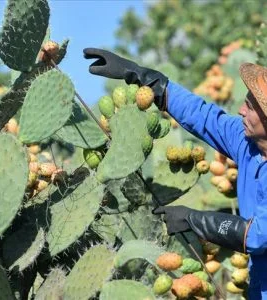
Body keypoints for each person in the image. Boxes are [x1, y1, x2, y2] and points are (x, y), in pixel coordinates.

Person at [84, 48, 267, 299]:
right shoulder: (248, 143)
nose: (241, 111)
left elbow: (259, 236)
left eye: (250, 107)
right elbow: (203, 116)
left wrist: (193, 219)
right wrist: (143, 76)